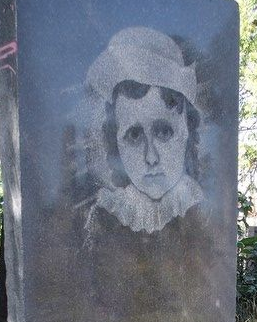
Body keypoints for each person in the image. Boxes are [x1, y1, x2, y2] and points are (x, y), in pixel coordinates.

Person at [84, 26, 203, 236]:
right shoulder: (103, 215)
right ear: (116, 143)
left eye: (164, 132)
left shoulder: (202, 210)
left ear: (186, 130)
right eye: (134, 135)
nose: (151, 157)